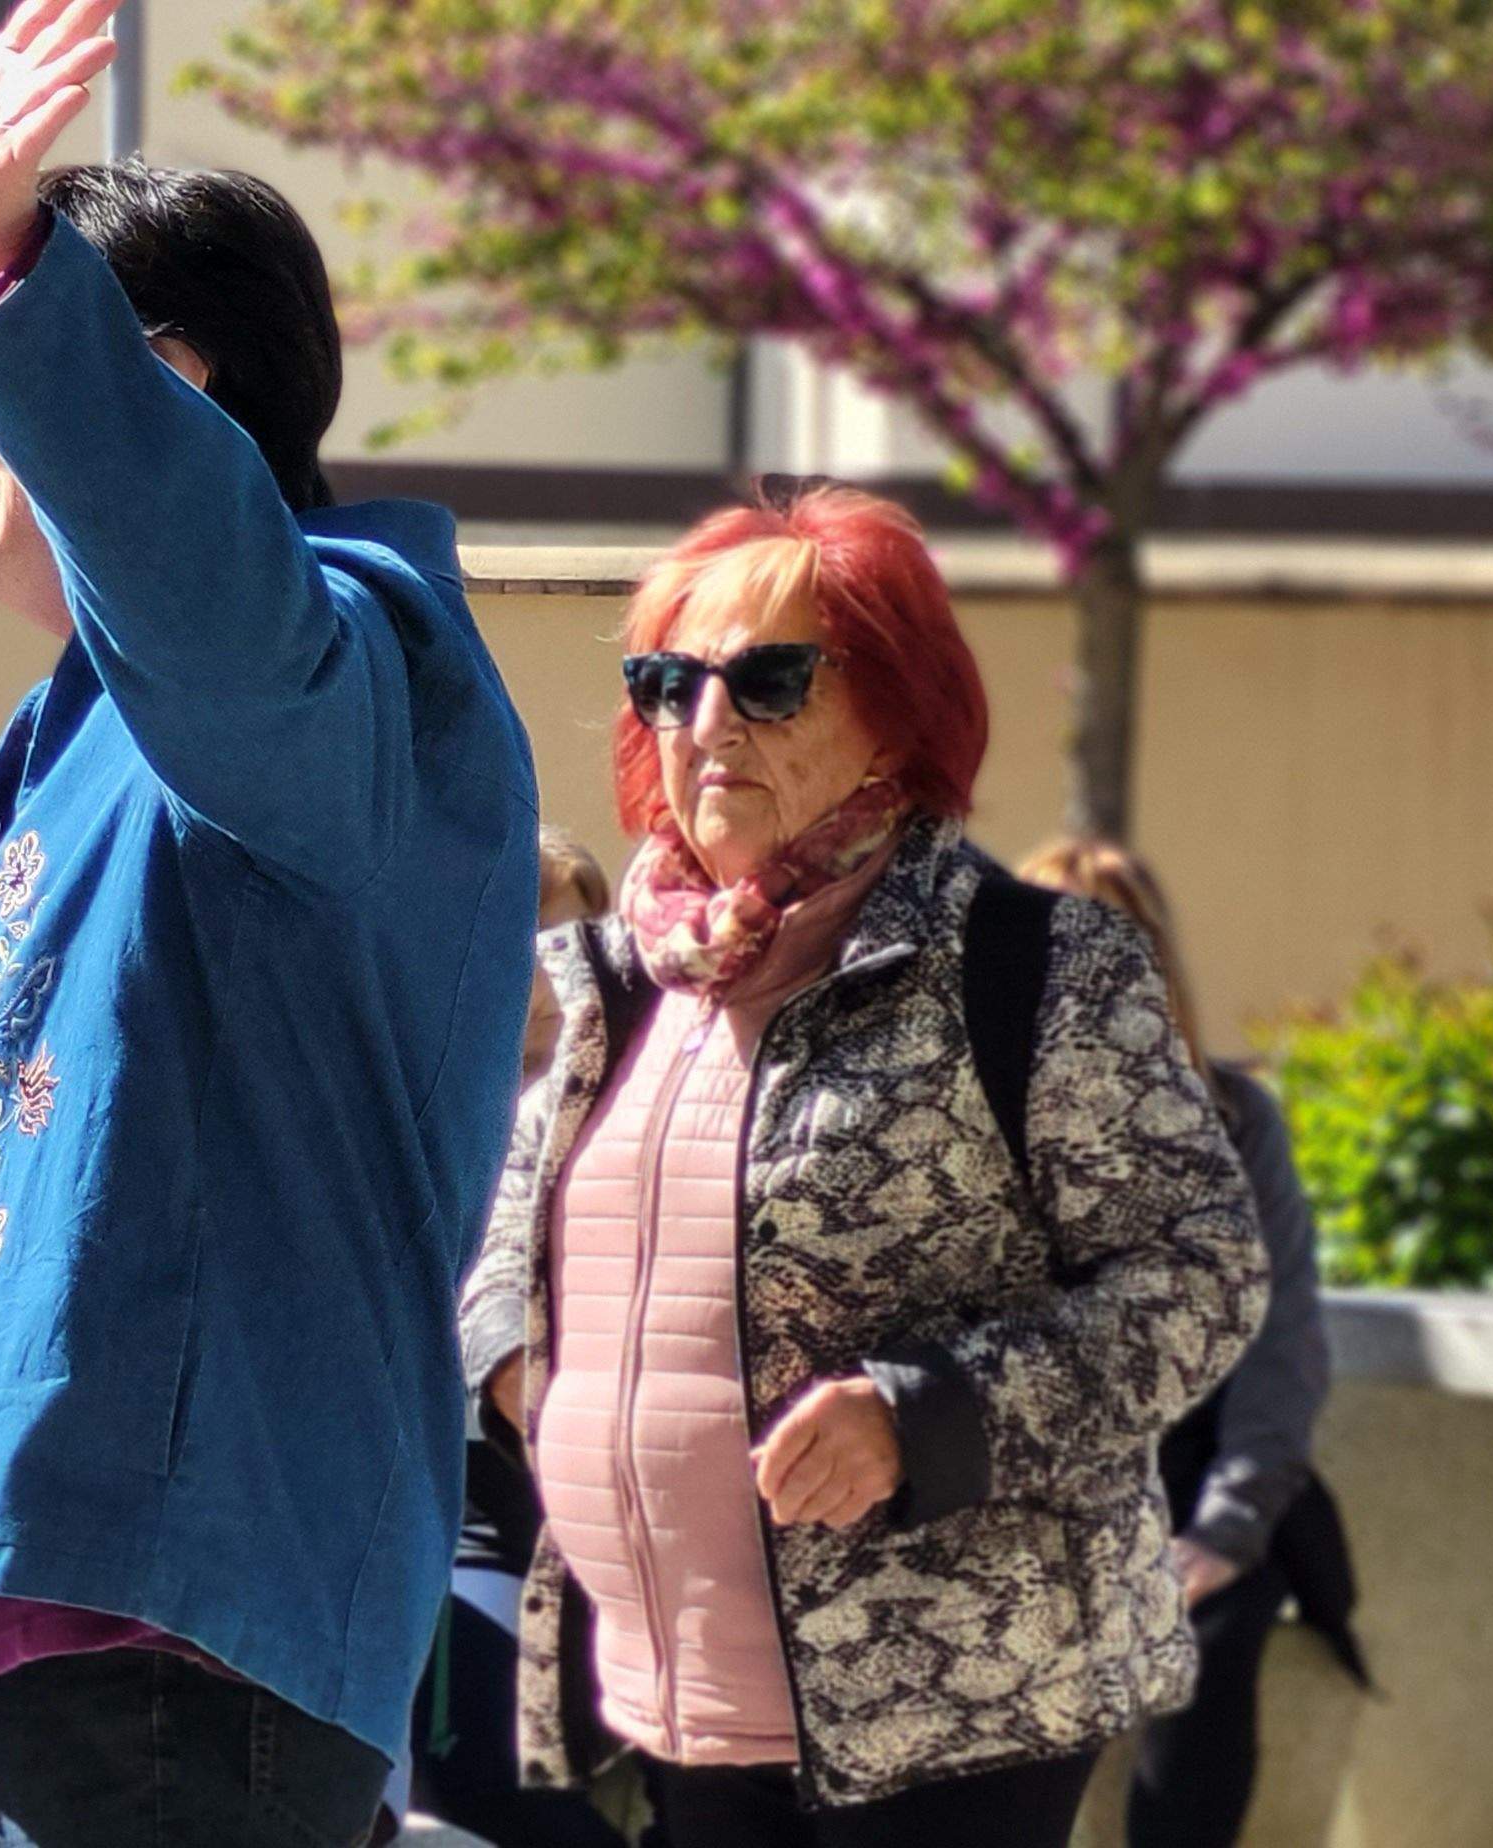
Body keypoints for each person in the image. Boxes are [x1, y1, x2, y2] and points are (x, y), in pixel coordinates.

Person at [0, 7, 544, 1842]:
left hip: (175, 1639)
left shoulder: (343, 654)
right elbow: (97, 1137)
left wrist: (0, 258)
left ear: (165, 393)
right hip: (43, 1638)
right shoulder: (83, 744)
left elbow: (210, 595)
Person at [458, 488, 1266, 1847]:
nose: (703, 723)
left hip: (956, 1709)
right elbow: (500, 1231)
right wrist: (511, 1362)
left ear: (897, 708)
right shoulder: (608, 982)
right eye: (666, 682)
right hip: (668, 1687)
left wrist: (920, 1415)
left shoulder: (1033, 967)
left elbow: (1200, 1276)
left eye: (768, 681)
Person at [1015, 837, 1349, 1848]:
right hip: (1021, 1477)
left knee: (1201, 1656)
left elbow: (1278, 1336)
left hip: (1192, 1476)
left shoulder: (1235, 1118)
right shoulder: (971, 1127)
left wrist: (1226, 1529)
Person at [406, 830, 631, 1848]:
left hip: (596, 1531)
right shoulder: (420, 1099)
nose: (556, 964)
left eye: (579, 930)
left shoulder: (628, 1099)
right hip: (453, 1536)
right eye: (530, 932)